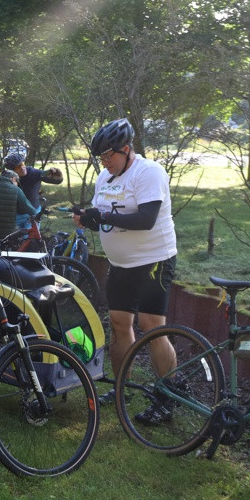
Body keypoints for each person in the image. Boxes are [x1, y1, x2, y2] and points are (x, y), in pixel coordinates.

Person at [74, 119, 177, 416]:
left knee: (151, 327)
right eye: (100, 158)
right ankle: (122, 388)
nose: (104, 162)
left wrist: (104, 217)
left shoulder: (149, 173)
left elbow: (146, 219)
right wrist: (88, 219)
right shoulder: (103, 178)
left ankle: (166, 396)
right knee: (119, 323)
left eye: (109, 156)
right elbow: (106, 216)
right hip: (120, 264)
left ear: (127, 150)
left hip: (154, 261)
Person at [3, 152, 63, 228]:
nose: (22, 168)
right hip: (16, 215)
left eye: (22, 164)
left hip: (33, 213)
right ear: (11, 170)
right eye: (18, 167)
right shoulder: (7, 178)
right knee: (17, 239)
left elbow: (56, 180)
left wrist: (58, 175)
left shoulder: (33, 173)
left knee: (31, 238)